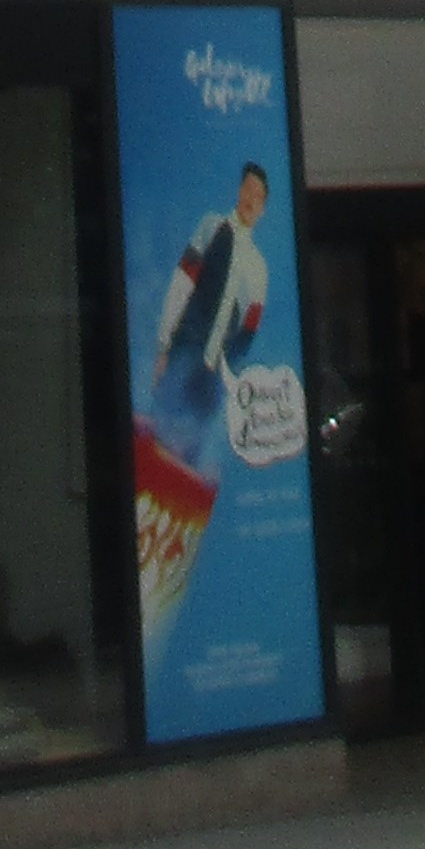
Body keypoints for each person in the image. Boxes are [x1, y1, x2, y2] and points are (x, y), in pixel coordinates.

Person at [133, 159, 270, 649]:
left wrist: (225, 375)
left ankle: (163, 581)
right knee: (159, 446)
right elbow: (182, 282)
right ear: (238, 192)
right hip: (187, 348)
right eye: (247, 192)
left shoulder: (259, 270)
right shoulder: (212, 226)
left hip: (212, 375)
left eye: (260, 197)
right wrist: (166, 343)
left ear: (265, 207)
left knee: (185, 460)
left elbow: (249, 332)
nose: (251, 202)